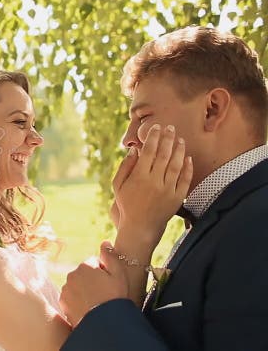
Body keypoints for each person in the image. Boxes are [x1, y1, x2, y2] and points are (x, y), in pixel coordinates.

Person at [0, 66, 186, 350]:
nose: (36, 139)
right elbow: (75, 346)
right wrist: (135, 228)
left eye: (32, 124)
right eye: (19, 123)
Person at [59, 26, 268, 350]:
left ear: (212, 109)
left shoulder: (259, 223)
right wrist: (135, 229)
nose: (128, 138)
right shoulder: (220, 214)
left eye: (142, 116)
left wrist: (100, 317)